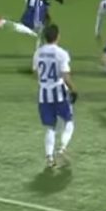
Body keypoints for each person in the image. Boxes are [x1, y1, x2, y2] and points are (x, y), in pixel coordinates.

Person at [33, 24, 77, 169]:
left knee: (50, 127)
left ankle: (49, 157)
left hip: (43, 95)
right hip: (58, 93)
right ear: (58, 36)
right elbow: (65, 76)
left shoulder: (38, 52)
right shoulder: (61, 53)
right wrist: (73, 89)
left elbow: (36, 73)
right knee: (69, 121)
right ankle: (62, 148)